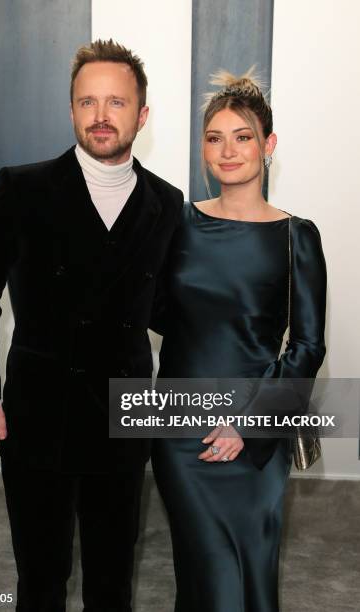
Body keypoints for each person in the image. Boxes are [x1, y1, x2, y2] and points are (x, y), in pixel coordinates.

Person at [0, 39, 183, 612]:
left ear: (142, 115)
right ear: (71, 111)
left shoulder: (167, 203)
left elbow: (171, 312)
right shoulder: (22, 188)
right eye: (87, 102)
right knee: (41, 577)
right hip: (37, 411)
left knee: (113, 579)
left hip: (124, 411)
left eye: (116, 102)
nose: (101, 116)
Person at [151, 69, 326, 612]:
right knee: (209, 581)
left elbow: (308, 346)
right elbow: (155, 316)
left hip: (255, 437)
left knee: (251, 576)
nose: (228, 151)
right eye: (215, 138)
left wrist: (246, 424)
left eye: (243, 136)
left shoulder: (297, 234)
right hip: (181, 435)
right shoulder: (175, 224)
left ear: (268, 145)